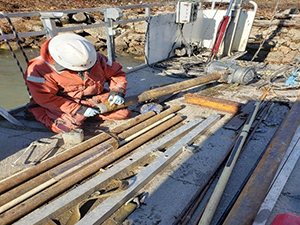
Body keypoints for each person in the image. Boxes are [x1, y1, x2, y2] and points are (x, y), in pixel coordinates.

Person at [24, 33, 131, 133]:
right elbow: (46, 98)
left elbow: (116, 73)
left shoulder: (92, 57)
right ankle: (39, 113)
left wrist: (118, 91)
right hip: (62, 103)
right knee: (71, 126)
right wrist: (78, 109)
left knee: (123, 113)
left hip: (93, 97)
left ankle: (87, 115)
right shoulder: (39, 69)